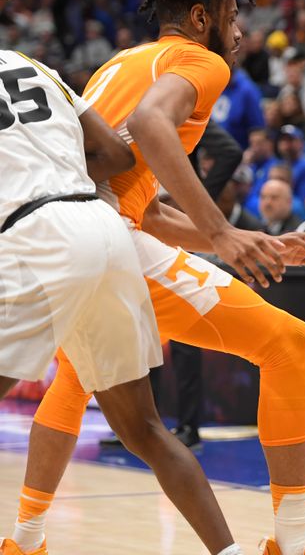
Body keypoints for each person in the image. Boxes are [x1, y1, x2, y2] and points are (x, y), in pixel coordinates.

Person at [12, 0, 305, 555]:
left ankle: (25, 539)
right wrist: (220, 233)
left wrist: (252, 238)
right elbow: (148, 125)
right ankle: (296, 537)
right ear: (200, 17)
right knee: (290, 343)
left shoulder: (120, 64)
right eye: (232, 16)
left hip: (59, 233)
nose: (239, 32)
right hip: (105, 237)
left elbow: (149, 208)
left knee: (75, 376)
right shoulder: (202, 63)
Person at [0, 46, 242, 555]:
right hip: (103, 226)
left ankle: (26, 538)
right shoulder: (31, 64)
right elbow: (117, 154)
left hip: (34, 231)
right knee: (146, 429)